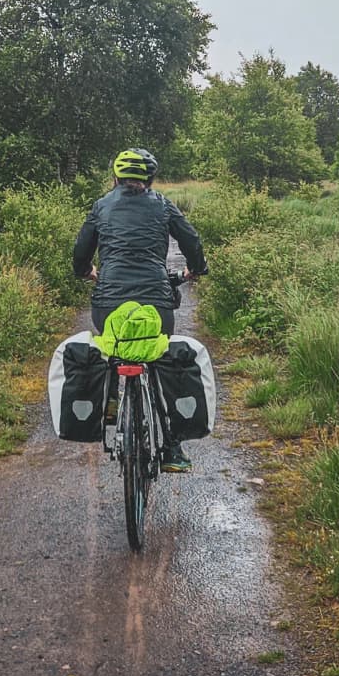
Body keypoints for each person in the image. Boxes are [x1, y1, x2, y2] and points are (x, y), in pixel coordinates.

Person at [72, 148, 208, 472]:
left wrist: (86, 272)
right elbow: (191, 240)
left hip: (108, 304)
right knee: (160, 358)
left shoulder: (101, 206)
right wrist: (196, 269)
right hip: (156, 304)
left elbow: (80, 251)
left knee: (111, 347)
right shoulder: (162, 204)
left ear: (115, 177)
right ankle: (173, 447)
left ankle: (110, 402)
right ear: (149, 178)